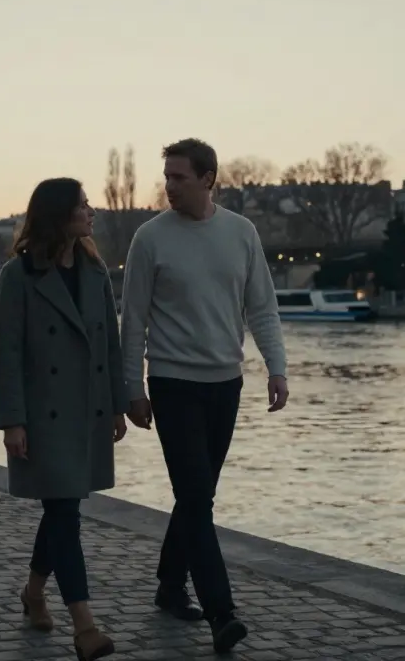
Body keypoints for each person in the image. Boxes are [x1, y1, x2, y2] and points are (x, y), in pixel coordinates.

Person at [119, 138, 288, 653]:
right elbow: (135, 320)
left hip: (225, 385)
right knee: (197, 498)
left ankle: (170, 585)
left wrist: (276, 369)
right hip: (172, 385)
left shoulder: (241, 233)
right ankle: (222, 612)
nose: (169, 185)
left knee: (197, 497)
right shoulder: (149, 239)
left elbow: (261, 307)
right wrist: (133, 387)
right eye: (166, 176)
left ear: (208, 178)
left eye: (179, 177)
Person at [0, 177, 129, 660]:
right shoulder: (19, 275)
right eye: (83, 206)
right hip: (44, 415)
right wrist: (12, 420)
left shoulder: (95, 270)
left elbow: (108, 345)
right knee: (65, 514)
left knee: (61, 511)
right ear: (59, 215)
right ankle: (85, 625)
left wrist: (116, 404)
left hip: (86, 411)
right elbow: (6, 353)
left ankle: (32, 592)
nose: (92, 213)